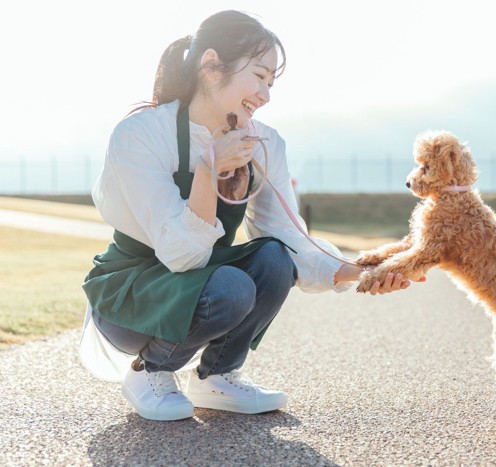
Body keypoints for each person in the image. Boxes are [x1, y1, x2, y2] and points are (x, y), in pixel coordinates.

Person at [79, 10, 418, 422]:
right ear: (210, 66)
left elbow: (291, 239)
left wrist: (360, 271)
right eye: (259, 76)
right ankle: (151, 370)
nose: (266, 94)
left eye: (271, 82)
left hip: (200, 279)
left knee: (274, 258)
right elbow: (180, 254)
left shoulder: (265, 145)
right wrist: (208, 170)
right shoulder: (140, 135)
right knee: (232, 287)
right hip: (132, 294)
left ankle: (216, 375)